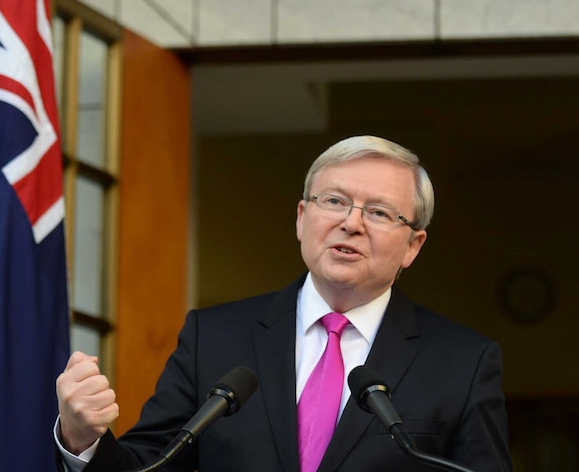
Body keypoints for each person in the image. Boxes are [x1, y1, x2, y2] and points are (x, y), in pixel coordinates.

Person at [55, 135, 513, 471]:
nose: (351, 224)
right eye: (334, 201)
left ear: (413, 245)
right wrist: (82, 439)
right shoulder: (214, 337)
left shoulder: (462, 362)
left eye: (377, 212)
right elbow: (149, 466)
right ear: (301, 218)